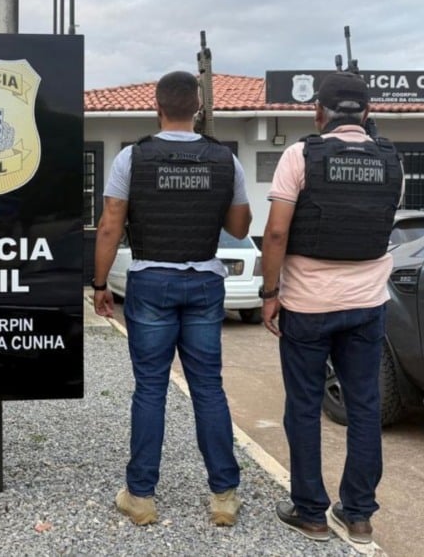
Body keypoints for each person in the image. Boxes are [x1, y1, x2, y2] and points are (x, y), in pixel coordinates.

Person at [92, 71, 252, 527]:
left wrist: (99, 284)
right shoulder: (225, 159)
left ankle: (141, 496)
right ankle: (224, 496)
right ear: (198, 108)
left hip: (150, 281)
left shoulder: (132, 158)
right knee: (208, 388)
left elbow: (110, 225)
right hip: (204, 282)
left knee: (150, 389)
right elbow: (240, 227)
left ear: (156, 107)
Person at [261, 71, 404, 544]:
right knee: (364, 405)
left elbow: (276, 232)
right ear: (367, 112)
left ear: (317, 112)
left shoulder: (300, 155)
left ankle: (310, 513)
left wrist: (269, 294)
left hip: (307, 304)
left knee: (303, 406)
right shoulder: (393, 160)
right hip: (367, 304)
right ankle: (359, 515)